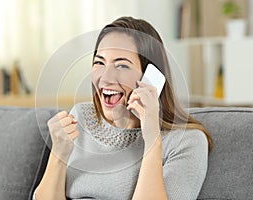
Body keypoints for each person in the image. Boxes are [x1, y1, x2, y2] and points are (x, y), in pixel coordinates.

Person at [34, 16, 213, 200]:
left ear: (151, 77)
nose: (105, 78)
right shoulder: (80, 117)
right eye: (99, 63)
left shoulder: (186, 141)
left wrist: (152, 137)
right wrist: (59, 153)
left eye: (122, 65)